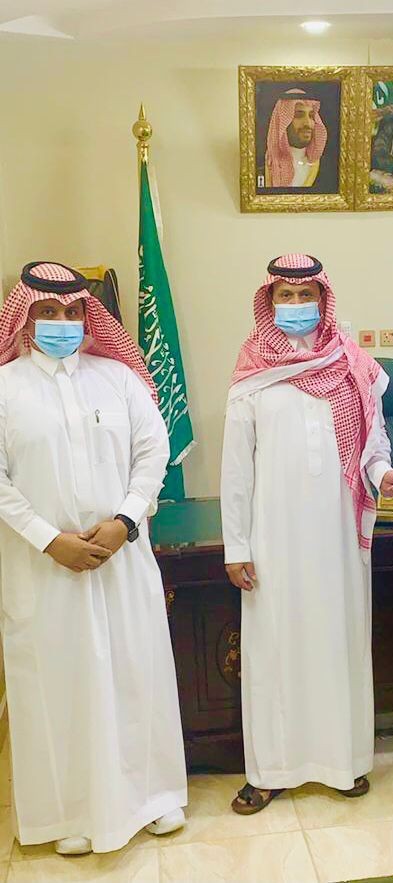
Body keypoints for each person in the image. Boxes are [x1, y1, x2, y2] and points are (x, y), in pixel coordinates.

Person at [0, 262, 187, 854]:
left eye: (73, 311)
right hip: (42, 567)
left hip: (121, 558)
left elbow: (153, 452)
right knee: (60, 683)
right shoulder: (5, 388)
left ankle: (153, 797)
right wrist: (47, 538)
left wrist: (125, 521)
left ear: (89, 317)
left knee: (136, 671)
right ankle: (71, 814)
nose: (62, 322)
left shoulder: (119, 379)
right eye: (48, 312)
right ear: (26, 318)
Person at [221, 253, 393, 813]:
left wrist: (384, 473)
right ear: (269, 302)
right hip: (273, 537)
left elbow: (371, 445)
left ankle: (342, 763)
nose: (297, 305)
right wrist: (237, 546)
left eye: (306, 296)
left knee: (338, 642)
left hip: (336, 535)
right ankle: (270, 771)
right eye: (286, 296)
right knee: (274, 648)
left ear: (323, 300)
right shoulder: (253, 370)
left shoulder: (351, 364)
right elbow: (236, 468)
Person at [264, 88, 328, 188]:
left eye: (311, 116)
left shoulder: (323, 165)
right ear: (283, 122)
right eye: (299, 115)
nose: (308, 123)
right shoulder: (268, 162)